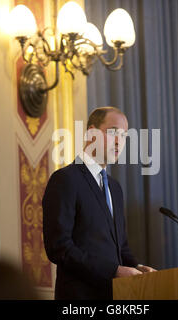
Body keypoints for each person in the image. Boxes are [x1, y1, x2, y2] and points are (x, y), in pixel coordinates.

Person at [42, 106, 156, 300]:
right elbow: (59, 248)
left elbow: (121, 247)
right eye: (113, 133)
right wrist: (114, 271)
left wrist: (136, 267)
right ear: (91, 133)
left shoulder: (115, 188)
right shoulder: (65, 179)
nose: (119, 142)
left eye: (124, 136)